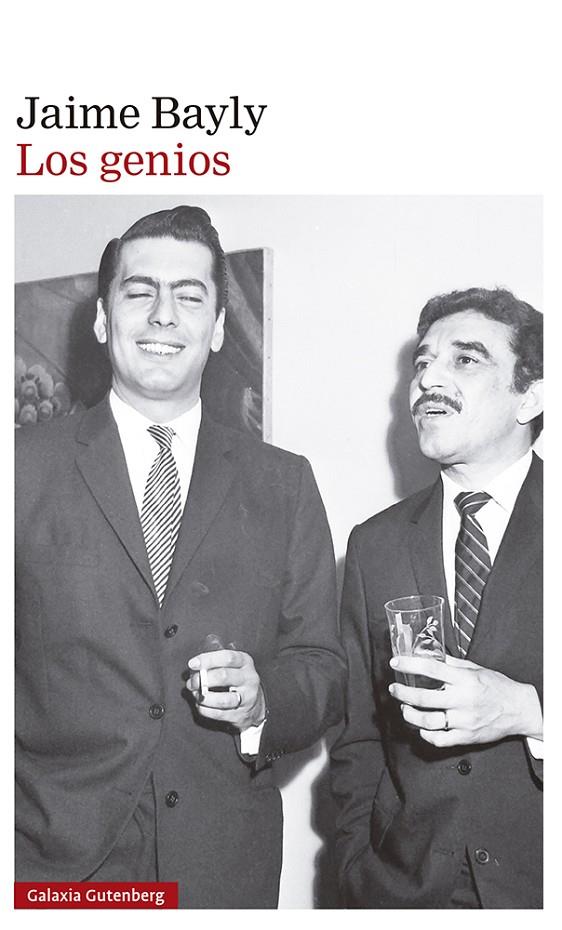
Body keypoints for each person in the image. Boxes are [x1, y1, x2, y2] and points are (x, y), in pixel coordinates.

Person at [15, 205, 345, 908]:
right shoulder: (20, 469)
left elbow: (322, 667)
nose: (163, 315)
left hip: (222, 872)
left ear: (218, 327)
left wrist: (263, 700)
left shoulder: (284, 483)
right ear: (102, 319)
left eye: (190, 296)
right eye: (140, 291)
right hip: (53, 869)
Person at [330, 287, 543, 909]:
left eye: (465, 360)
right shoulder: (373, 544)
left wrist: (530, 713)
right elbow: (358, 736)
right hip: (403, 892)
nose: (428, 380)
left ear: (531, 396)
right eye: (422, 363)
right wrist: (356, 867)